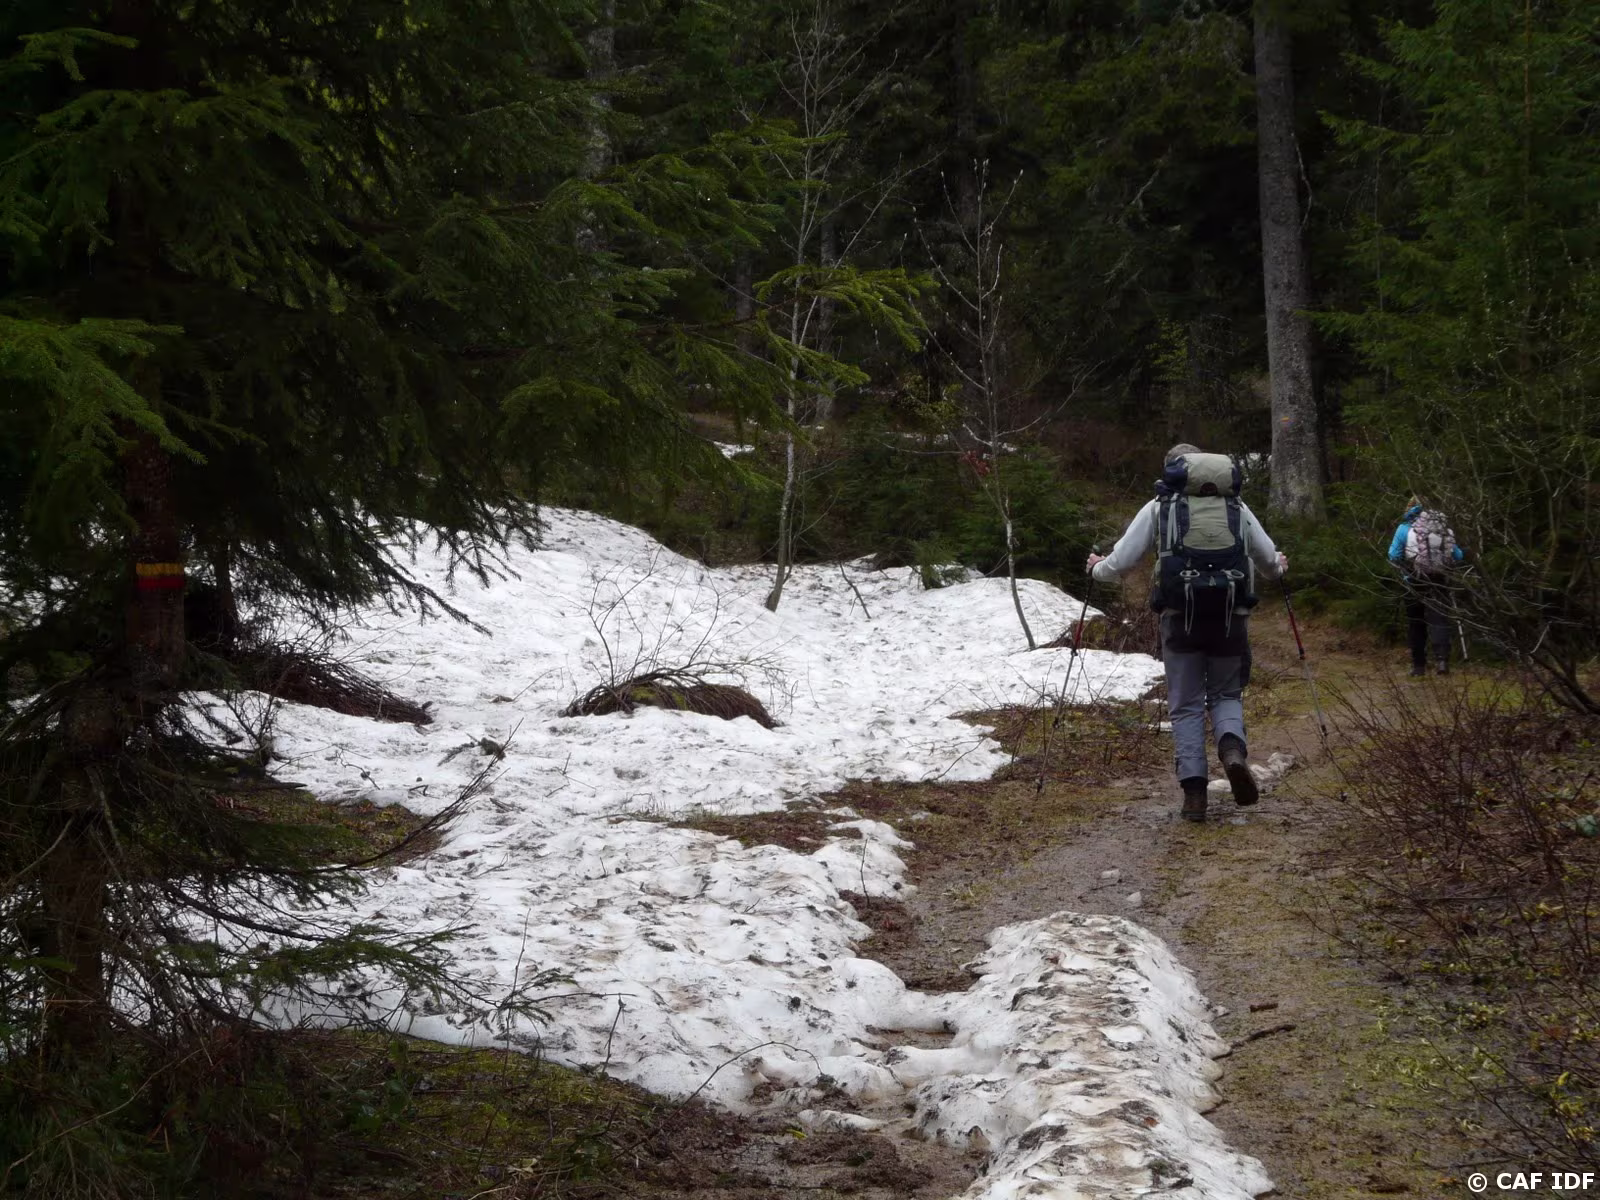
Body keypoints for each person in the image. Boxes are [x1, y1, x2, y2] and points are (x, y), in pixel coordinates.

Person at [1086, 444, 1288, 823]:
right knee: (1226, 693)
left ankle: (1195, 794)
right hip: (1230, 617)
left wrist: (1097, 568)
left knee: (1186, 704)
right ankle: (1232, 750)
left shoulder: (1159, 507)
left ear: (1173, 471)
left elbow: (1122, 561)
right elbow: (1268, 560)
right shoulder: (1236, 507)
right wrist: (1279, 566)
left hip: (1179, 617)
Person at [1387, 497, 1465, 676]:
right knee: (1439, 620)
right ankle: (1442, 662)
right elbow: (1458, 555)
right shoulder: (1441, 527)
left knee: (1416, 623)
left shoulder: (1404, 529)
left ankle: (1419, 666)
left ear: (1408, 509)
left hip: (1414, 580)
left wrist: (1406, 565)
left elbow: (1393, 555)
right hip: (1439, 580)